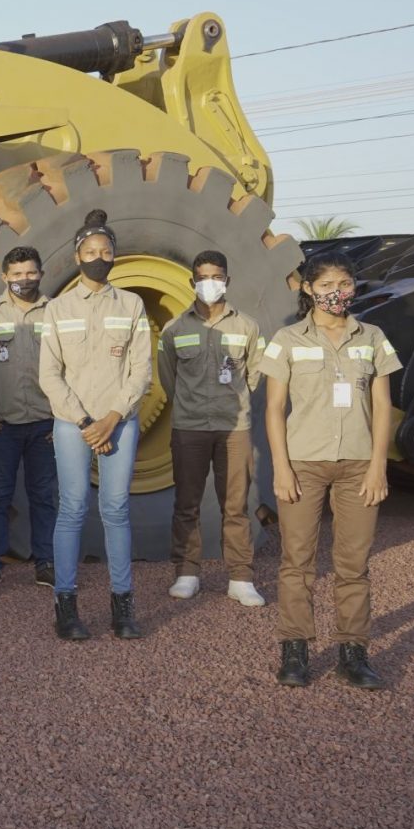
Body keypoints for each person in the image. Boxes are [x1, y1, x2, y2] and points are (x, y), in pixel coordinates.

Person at [259, 251, 400, 690]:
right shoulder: (287, 339)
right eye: (326, 286)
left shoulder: (373, 336)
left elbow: (382, 407)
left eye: (344, 284)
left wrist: (379, 466)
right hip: (304, 465)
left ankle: (353, 653)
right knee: (297, 563)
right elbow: (274, 408)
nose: (336, 294)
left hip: (359, 466)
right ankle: (295, 650)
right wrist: (281, 468)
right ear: (307, 289)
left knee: (353, 565)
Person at [38, 209, 152, 641]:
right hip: (73, 423)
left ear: (114, 256)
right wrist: (86, 421)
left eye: (105, 251)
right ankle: (65, 606)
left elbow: (140, 370)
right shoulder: (58, 308)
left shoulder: (132, 304)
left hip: (118, 421)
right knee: (71, 510)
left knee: (116, 509)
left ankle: (122, 605)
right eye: (90, 251)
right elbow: (50, 374)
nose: (98, 257)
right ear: (77, 255)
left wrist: (112, 417)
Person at [157, 251, 266, 606]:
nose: (210, 284)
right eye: (203, 277)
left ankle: (240, 577)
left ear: (228, 280)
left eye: (217, 276)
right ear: (192, 282)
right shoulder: (175, 329)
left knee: (235, 505)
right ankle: (187, 573)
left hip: (233, 428)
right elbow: (168, 378)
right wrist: (190, 405)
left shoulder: (247, 326)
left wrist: (230, 403)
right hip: (189, 427)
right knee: (186, 502)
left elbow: (254, 375)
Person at [0, 247, 58, 592]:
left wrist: (62, 418)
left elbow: (71, 366)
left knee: (43, 495)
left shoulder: (55, 313)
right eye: (17, 274)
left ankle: (46, 563)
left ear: (41, 273)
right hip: (1, 424)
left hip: (44, 423)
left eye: (31, 273)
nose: (25, 280)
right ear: (5, 277)